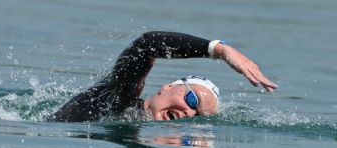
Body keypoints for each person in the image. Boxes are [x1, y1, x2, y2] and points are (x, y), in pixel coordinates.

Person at [49, 31, 277, 122]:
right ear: (167, 87)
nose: (189, 112)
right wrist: (219, 49)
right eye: (192, 100)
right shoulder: (119, 99)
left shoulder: (136, 131)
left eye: (197, 115)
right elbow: (146, 45)